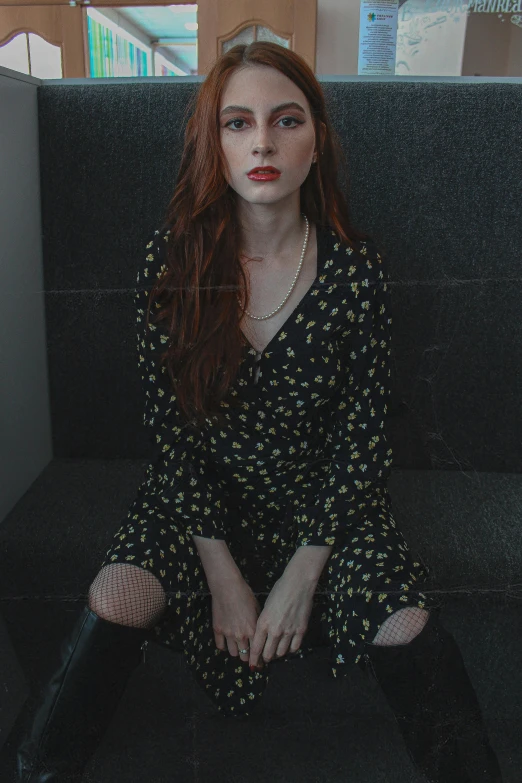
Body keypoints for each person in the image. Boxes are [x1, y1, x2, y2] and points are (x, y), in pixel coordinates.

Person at [16, 42, 503, 783]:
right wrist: (225, 575)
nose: (263, 143)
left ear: (316, 144)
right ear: (214, 146)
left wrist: (302, 572)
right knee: (117, 592)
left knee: (408, 622)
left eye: (286, 121)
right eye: (237, 124)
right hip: (200, 499)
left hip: (327, 504)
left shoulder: (355, 271)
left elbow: (362, 437)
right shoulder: (170, 263)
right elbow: (172, 438)